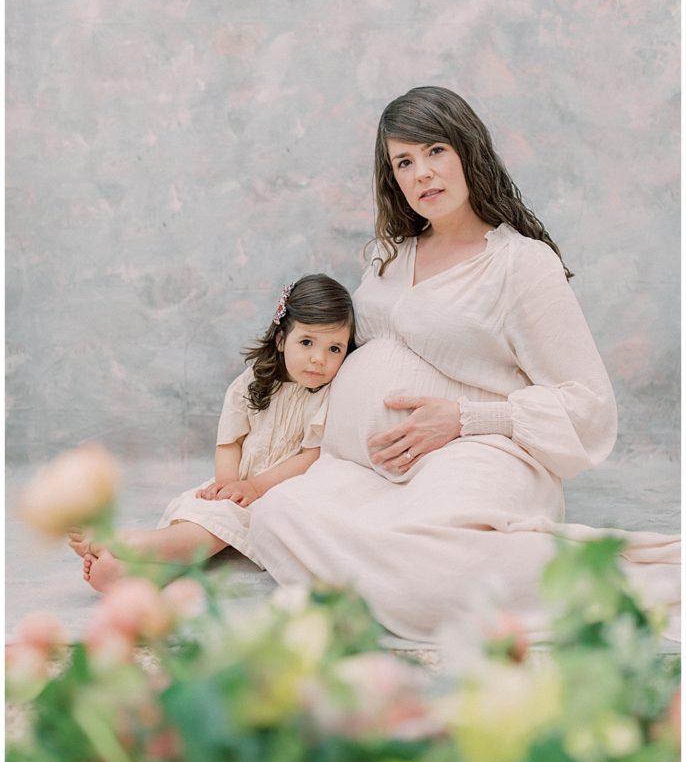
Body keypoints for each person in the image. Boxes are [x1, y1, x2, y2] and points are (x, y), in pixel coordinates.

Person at [231, 85, 676, 645]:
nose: (422, 174)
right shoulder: (388, 256)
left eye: (436, 151)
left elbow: (587, 405)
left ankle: (620, 574)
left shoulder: (521, 265)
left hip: (477, 454)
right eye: (404, 162)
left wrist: (464, 420)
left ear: (469, 151)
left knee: (430, 574)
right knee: (276, 516)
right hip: (364, 470)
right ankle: (409, 572)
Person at [68, 274, 355, 591]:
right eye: (306, 342)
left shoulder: (328, 396)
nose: (319, 358)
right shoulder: (252, 383)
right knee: (200, 516)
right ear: (280, 339)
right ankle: (130, 573)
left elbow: (310, 456)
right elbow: (230, 442)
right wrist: (227, 484)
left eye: (334, 348)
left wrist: (255, 488)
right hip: (238, 485)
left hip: (278, 495)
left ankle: (126, 542)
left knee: (207, 533)